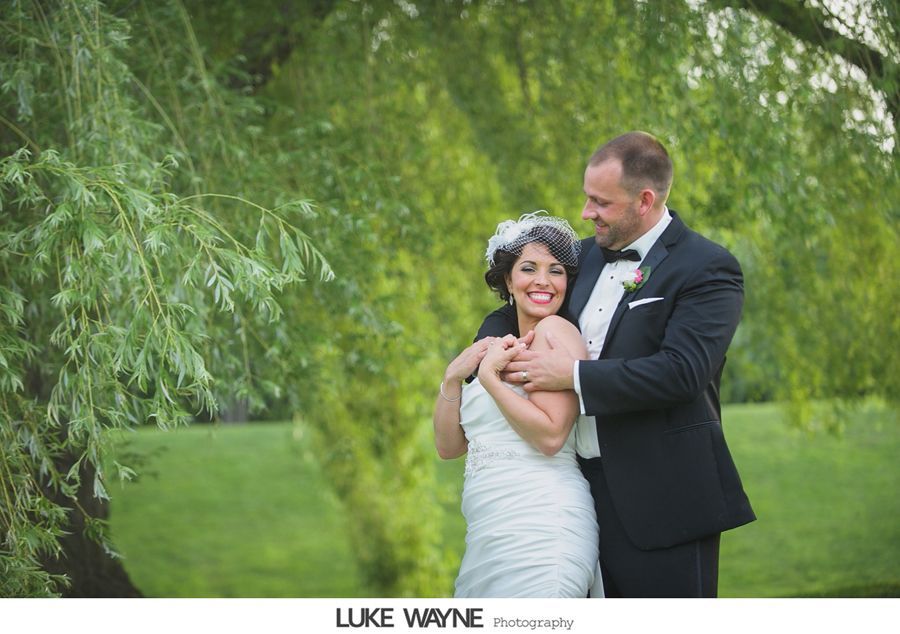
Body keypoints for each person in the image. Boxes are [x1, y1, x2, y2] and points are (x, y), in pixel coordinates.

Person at [474, 131, 756, 597]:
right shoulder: (582, 257)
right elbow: (519, 301)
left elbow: (683, 371)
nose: (587, 212)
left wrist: (572, 377)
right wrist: (485, 349)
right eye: (588, 197)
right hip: (574, 498)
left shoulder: (707, 267)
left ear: (644, 200)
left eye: (600, 202)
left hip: (664, 498)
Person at [434, 212, 603, 598]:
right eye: (529, 269)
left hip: (542, 521)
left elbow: (551, 436)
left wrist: (491, 382)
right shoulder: (497, 344)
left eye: (556, 271)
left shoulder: (556, 332)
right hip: (490, 528)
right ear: (509, 280)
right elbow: (449, 447)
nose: (543, 280)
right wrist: (452, 378)